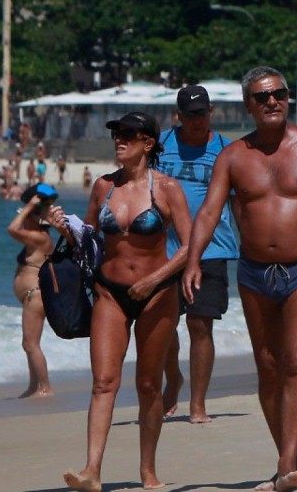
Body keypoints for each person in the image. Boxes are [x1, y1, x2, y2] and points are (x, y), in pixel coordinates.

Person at [181, 66, 297, 492]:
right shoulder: (233, 157)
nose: (272, 102)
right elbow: (210, 211)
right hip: (253, 272)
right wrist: (193, 260)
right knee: (267, 369)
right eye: (262, 96)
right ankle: (289, 458)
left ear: (288, 98)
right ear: (248, 104)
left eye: (279, 94)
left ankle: (286, 463)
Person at [60, 111, 193, 492]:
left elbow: (189, 246)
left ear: (147, 143)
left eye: (128, 135)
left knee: (149, 384)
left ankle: (148, 471)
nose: (119, 139)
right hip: (110, 293)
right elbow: (86, 238)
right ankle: (92, 470)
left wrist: (153, 280)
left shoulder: (166, 189)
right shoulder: (104, 187)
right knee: (104, 382)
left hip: (157, 295)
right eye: (117, 134)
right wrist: (63, 228)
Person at [160, 85, 239, 424]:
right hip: (163, 252)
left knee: (200, 323)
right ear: (178, 116)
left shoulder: (225, 150)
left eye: (202, 114)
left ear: (212, 113)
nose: (197, 120)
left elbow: (238, 203)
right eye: (190, 115)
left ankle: (198, 403)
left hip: (212, 249)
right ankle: (173, 377)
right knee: (162, 327)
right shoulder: (160, 145)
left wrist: (251, 247)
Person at [6, 186, 58, 399]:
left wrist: (27, 208)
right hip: (31, 296)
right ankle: (33, 386)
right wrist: (31, 210)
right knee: (28, 344)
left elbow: (12, 229)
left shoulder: (40, 237)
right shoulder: (36, 232)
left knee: (31, 344)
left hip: (35, 295)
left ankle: (45, 387)